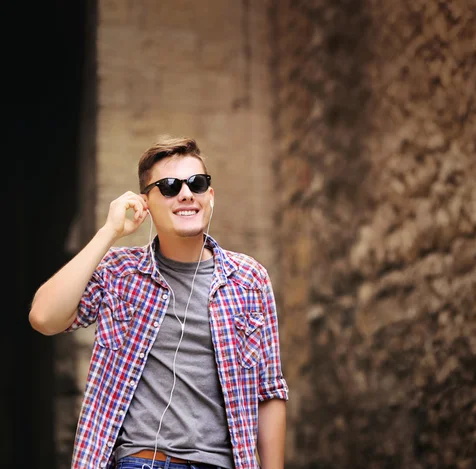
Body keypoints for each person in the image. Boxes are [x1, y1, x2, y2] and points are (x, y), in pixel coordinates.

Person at [29, 136, 289, 469]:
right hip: (141, 463)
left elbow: (268, 391)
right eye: (168, 186)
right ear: (146, 203)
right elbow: (43, 317)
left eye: (197, 183)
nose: (186, 194)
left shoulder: (248, 279)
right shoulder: (120, 272)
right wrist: (109, 231)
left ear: (210, 196)